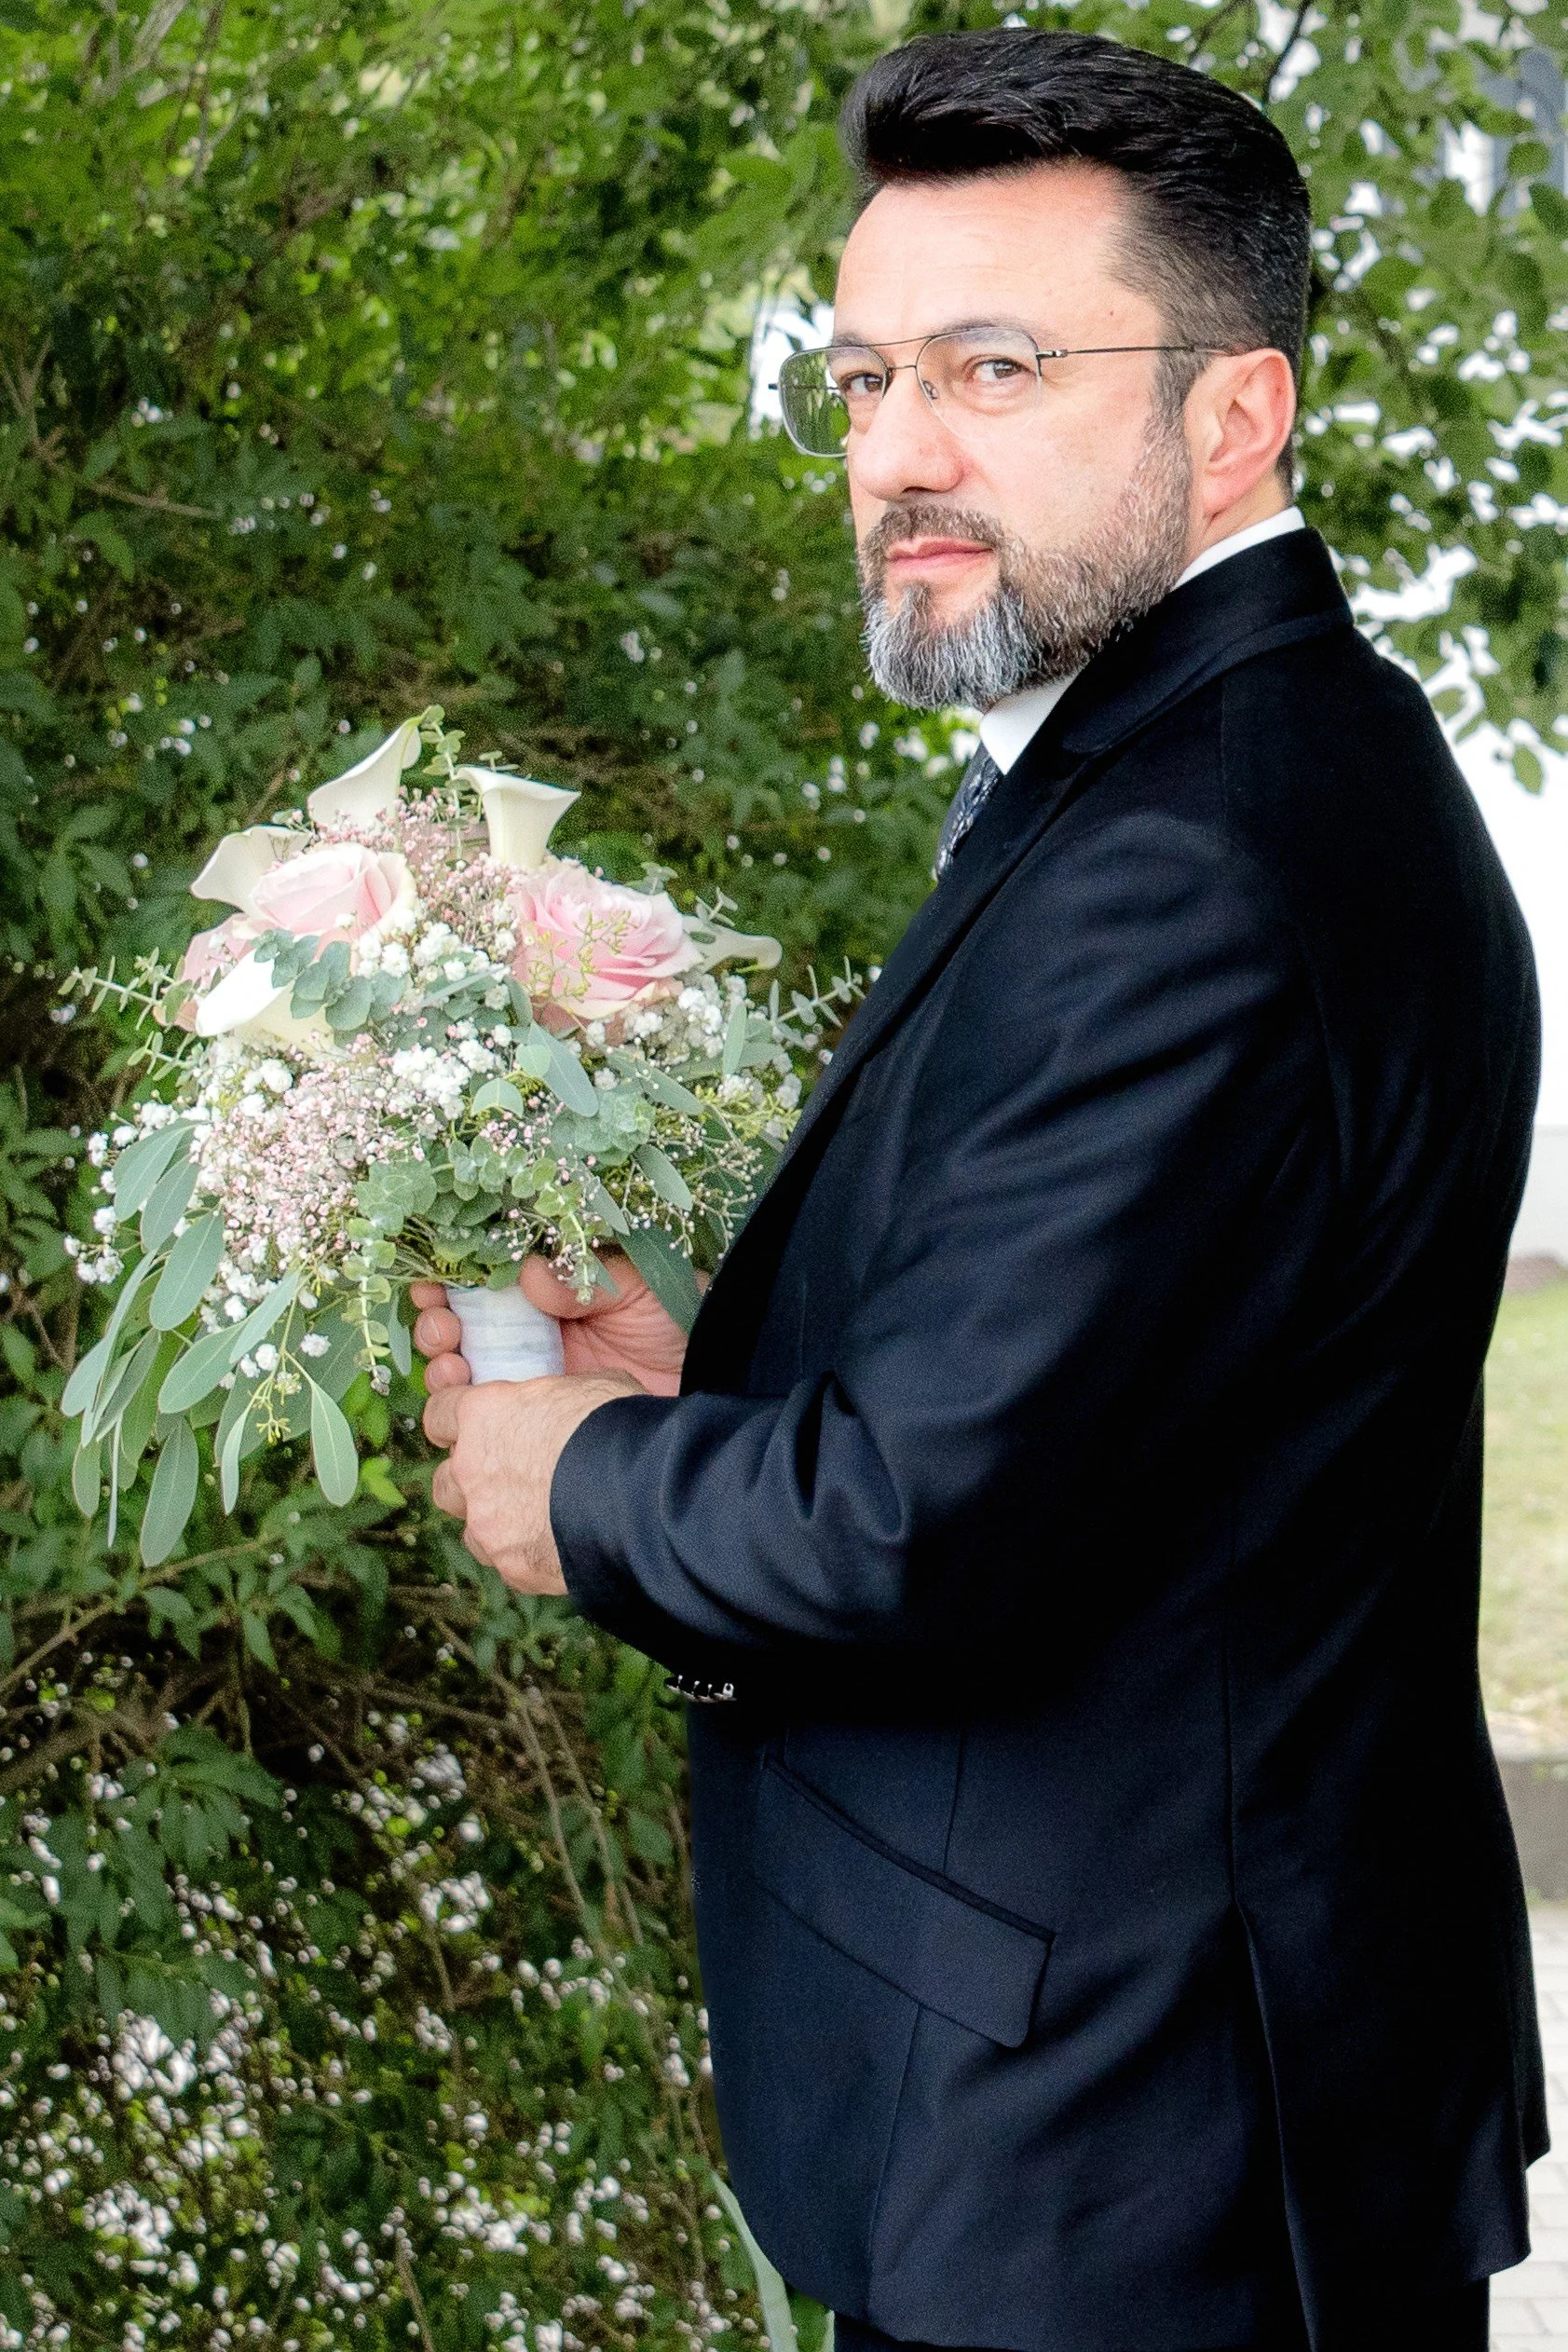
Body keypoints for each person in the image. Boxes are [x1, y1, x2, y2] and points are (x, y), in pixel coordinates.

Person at [414, 30, 1546, 2352]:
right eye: (858, 379)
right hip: (1156, 2126)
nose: (897, 453)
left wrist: (590, 1476)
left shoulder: (1193, 855)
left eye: (991, 368)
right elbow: (1116, 1414)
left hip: (1127, 2181)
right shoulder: (1218, 757)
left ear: (1234, 415)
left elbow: (924, 1523)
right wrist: (699, 1375)